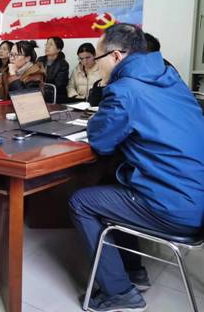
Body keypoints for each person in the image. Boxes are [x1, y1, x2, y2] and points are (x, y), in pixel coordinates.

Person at [69, 24, 204, 312]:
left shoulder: (125, 90)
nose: (96, 65)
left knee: (81, 202)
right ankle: (134, 270)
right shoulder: (169, 77)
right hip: (196, 195)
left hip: (175, 205)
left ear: (116, 56)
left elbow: (101, 142)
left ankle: (120, 293)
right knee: (112, 186)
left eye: (98, 58)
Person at [36, 36, 69, 103]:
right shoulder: (40, 60)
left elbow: (59, 86)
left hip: (55, 97)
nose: (47, 47)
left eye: (51, 44)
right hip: (40, 93)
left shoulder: (63, 64)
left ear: (58, 49)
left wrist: (41, 88)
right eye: (47, 44)